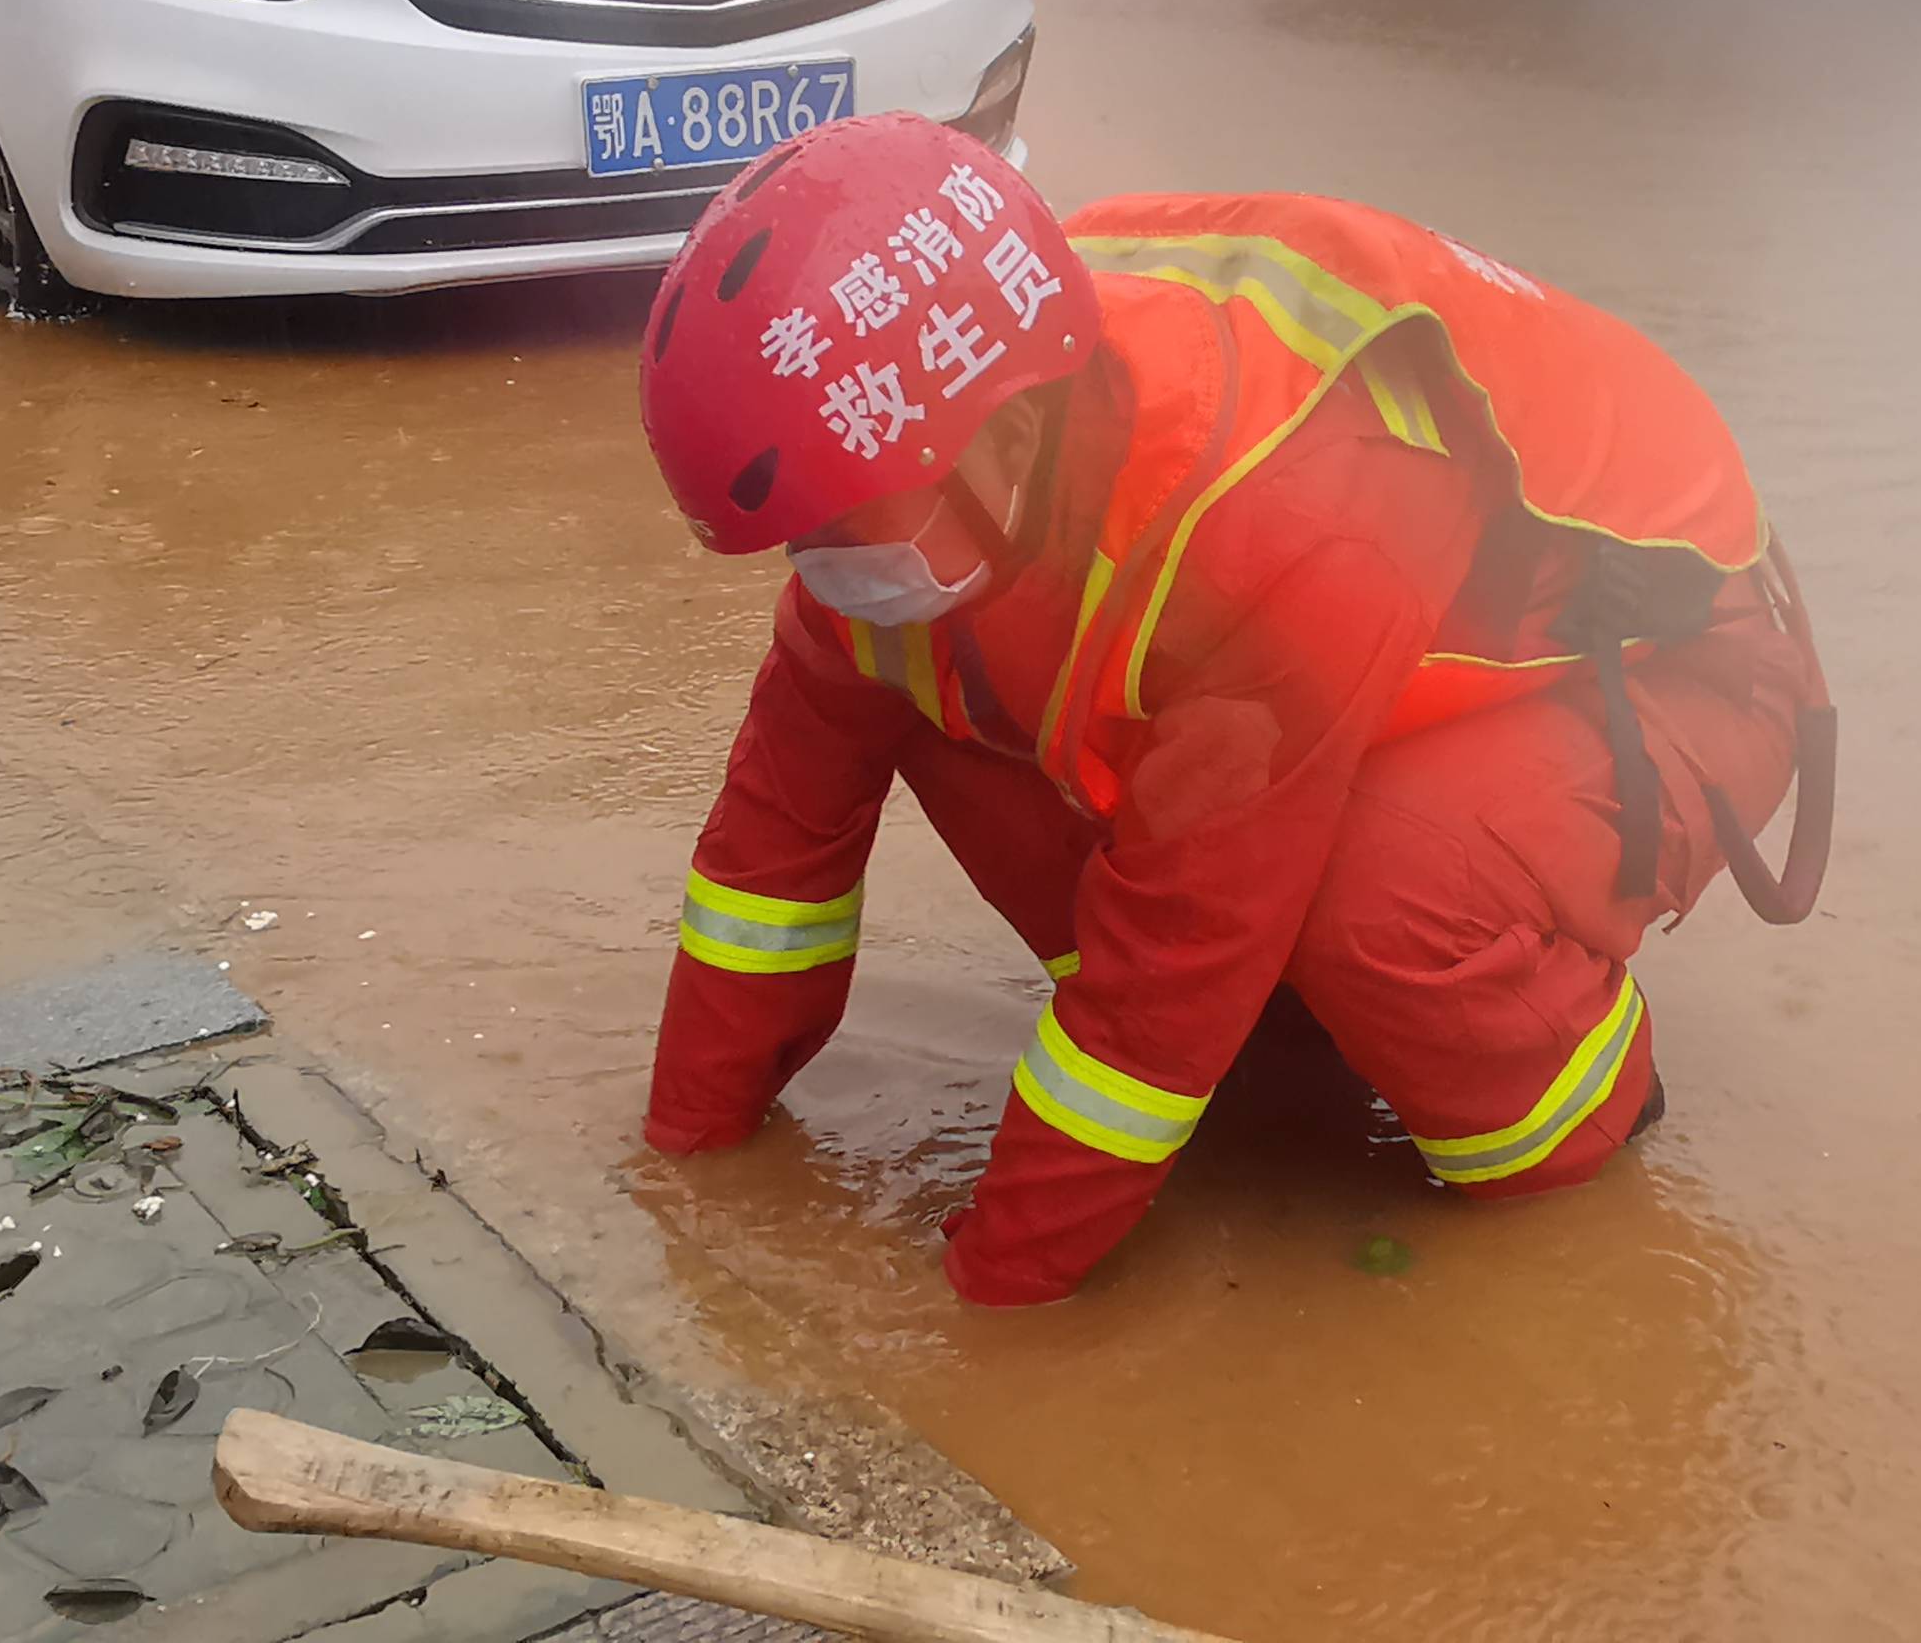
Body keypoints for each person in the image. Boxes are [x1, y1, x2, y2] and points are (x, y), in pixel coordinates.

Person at [632, 115, 1834, 1307]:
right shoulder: (950, 441)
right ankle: (1274, 1055)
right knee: (937, 693)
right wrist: (679, 1166)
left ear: (1003, 435)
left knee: (1380, 895)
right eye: (799, 537)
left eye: (843, 526)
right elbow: (768, 861)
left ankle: (1582, 1096)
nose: (821, 566)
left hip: (1679, 662)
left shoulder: (1278, 518)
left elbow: (1174, 948)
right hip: (1368, 653)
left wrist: (997, 1288)